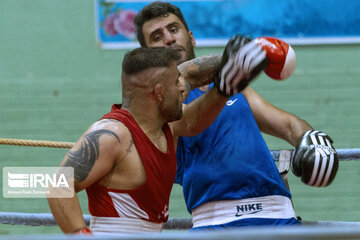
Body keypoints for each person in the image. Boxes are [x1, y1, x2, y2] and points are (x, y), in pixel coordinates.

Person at [134, 1, 338, 230]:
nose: (169, 39)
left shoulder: (236, 88)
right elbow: (188, 110)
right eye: (157, 37)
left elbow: (290, 125)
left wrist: (312, 140)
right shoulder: (156, 106)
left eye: (173, 29)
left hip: (277, 214)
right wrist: (234, 67)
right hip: (216, 221)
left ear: (191, 37)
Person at [47, 44, 266, 235]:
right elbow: (57, 186)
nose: (183, 88)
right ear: (159, 93)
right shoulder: (112, 134)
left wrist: (236, 68)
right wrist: (81, 235)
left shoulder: (167, 127)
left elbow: (195, 118)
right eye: (176, 82)